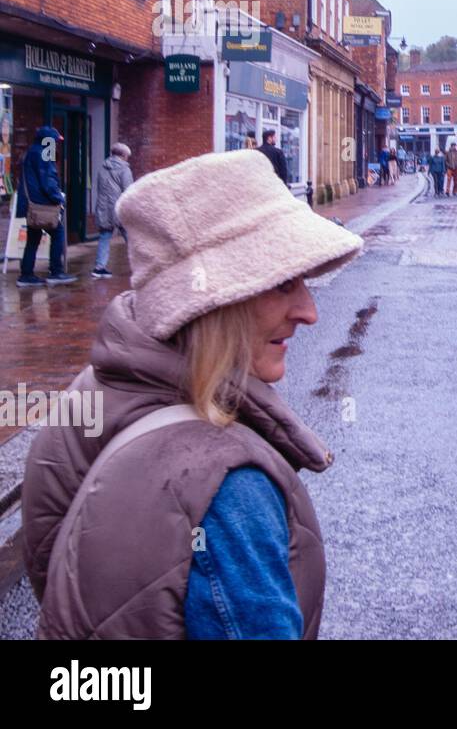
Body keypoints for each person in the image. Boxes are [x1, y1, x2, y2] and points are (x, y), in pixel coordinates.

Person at [21, 149, 363, 639]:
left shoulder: (99, 393)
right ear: (214, 303)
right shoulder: (224, 486)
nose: (308, 311)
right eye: (283, 284)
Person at [17, 125, 76, 287]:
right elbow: (48, 181)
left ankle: (26, 275)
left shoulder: (30, 152)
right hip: (43, 204)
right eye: (55, 141)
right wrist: (59, 198)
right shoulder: (45, 152)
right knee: (57, 233)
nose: (56, 144)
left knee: (33, 238)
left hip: (32, 204)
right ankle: (56, 271)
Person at [91, 142, 134, 279]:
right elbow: (129, 190)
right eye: (127, 155)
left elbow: (100, 187)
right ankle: (139, 265)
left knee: (104, 237)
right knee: (132, 238)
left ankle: (99, 268)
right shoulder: (124, 169)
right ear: (123, 155)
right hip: (119, 208)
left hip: (104, 207)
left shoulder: (103, 167)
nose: (127, 158)